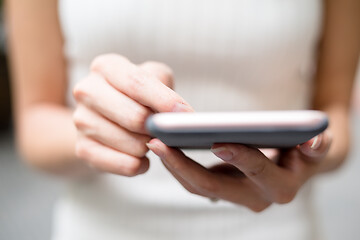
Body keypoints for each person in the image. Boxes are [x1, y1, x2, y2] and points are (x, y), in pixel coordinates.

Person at [6, 0, 360, 239]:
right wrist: (104, 130)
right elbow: (36, 120)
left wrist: (311, 156)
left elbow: (335, 113)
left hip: (278, 229)